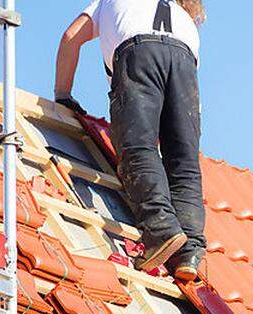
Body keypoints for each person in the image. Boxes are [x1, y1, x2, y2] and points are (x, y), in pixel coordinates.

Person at [54, 0, 208, 281]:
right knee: (183, 161)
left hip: (140, 51)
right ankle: (190, 252)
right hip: (185, 59)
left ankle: (161, 230)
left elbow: (71, 37)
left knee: (137, 147)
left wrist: (63, 95)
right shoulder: (181, 13)